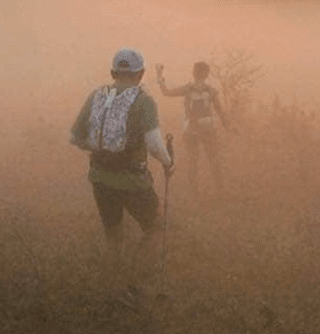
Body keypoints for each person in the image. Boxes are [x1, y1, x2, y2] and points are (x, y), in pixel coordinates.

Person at [70, 47, 174, 300]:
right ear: (141, 74)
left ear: (113, 72)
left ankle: (108, 290)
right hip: (132, 180)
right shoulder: (144, 100)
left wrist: (100, 150)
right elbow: (154, 145)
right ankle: (133, 287)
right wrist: (168, 162)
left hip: (99, 177)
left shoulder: (97, 95)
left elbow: (74, 137)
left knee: (114, 237)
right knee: (156, 228)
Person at [156, 61, 228, 197]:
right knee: (212, 161)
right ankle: (220, 191)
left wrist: (159, 77)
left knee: (194, 161)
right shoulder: (210, 91)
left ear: (194, 73)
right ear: (206, 74)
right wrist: (228, 125)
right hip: (205, 130)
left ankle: (196, 193)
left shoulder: (189, 89)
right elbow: (220, 111)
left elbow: (166, 92)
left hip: (192, 130)